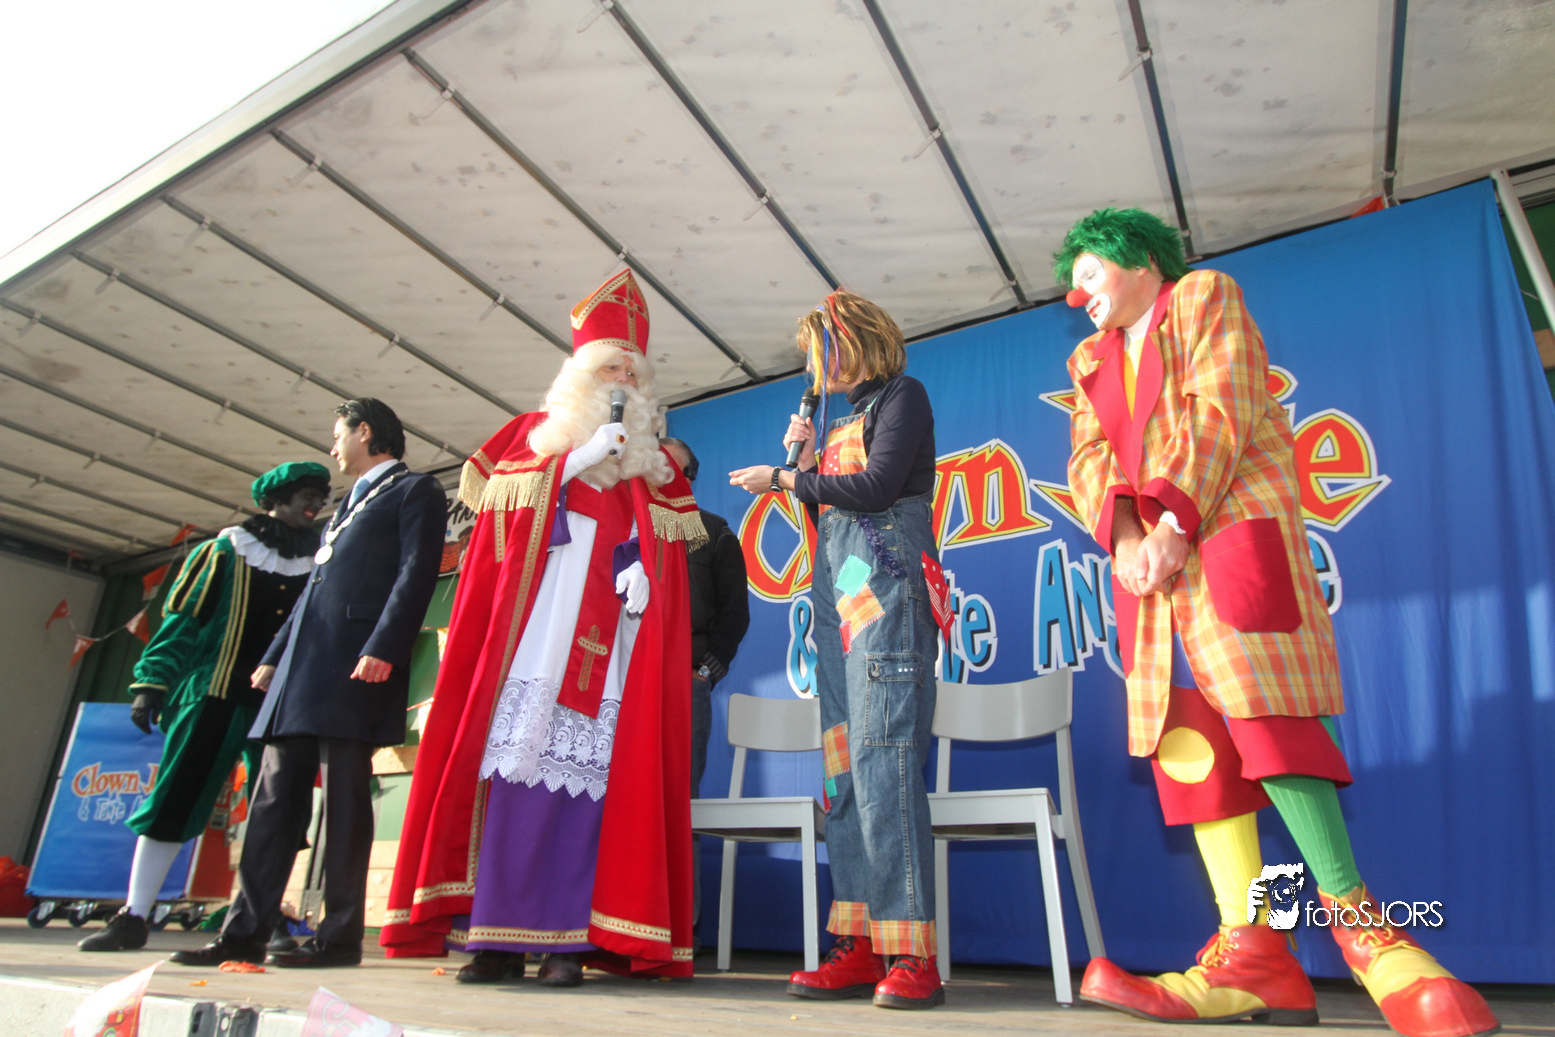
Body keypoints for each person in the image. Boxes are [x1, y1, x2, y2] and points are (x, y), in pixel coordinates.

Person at [1055, 208, 1498, 1036]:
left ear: (1139, 260)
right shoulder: (1088, 360)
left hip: (1221, 538)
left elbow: (1219, 409)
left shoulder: (1203, 296)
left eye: (1087, 273)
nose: (1076, 294)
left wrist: (1172, 524)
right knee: (1189, 745)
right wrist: (1126, 540)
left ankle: (1363, 931)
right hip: (1150, 580)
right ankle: (1253, 948)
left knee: (1272, 725)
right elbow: (1088, 459)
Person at [380, 270, 703, 986]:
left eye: (633, 372)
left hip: (606, 640)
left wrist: (642, 568)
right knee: (513, 770)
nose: (624, 381)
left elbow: (659, 550)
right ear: (583, 374)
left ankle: (565, 943)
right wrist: (574, 464)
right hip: (534, 632)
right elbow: (498, 532)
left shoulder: (652, 468)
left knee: (586, 785)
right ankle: (495, 939)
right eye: (612, 368)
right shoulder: (532, 439)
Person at [170, 398, 447, 969]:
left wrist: (384, 645)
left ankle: (338, 938)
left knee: (344, 800)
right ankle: (243, 932)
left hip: (356, 662)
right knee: (273, 800)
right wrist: (275, 655)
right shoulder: (347, 504)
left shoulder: (413, 490)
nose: (332, 447)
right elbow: (312, 592)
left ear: (364, 432)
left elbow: (416, 571)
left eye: (338, 435)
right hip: (302, 668)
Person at [729, 291, 944, 1010]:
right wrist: (800, 459)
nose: (817, 365)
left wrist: (783, 475)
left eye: (824, 348)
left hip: (886, 587)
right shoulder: (836, 418)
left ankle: (911, 951)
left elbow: (877, 487)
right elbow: (824, 507)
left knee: (885, 761)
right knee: (844, 767)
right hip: (839, 596)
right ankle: (860, 940)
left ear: (857, 341)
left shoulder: (902, 396)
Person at [78, 463, 330, 953]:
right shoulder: (224, 550)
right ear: (277, 499)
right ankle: (134, 915)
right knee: (176, 797)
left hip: (279, 705)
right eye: (306, 494)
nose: (315, 504)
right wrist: (151, 681)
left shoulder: (318, 560)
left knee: (280, 812)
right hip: (213, 694)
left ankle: (263, 917)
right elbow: (182, 621)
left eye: (320, 496)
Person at [660, 436, 750, 942]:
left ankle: (679, 929)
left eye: (673, 468)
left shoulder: (715, 532)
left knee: (680, 801)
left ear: (691, 477)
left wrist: (705, 671)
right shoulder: (625, 526)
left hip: (684, 682)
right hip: (625, 685)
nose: (661, 475)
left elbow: (734, 614)